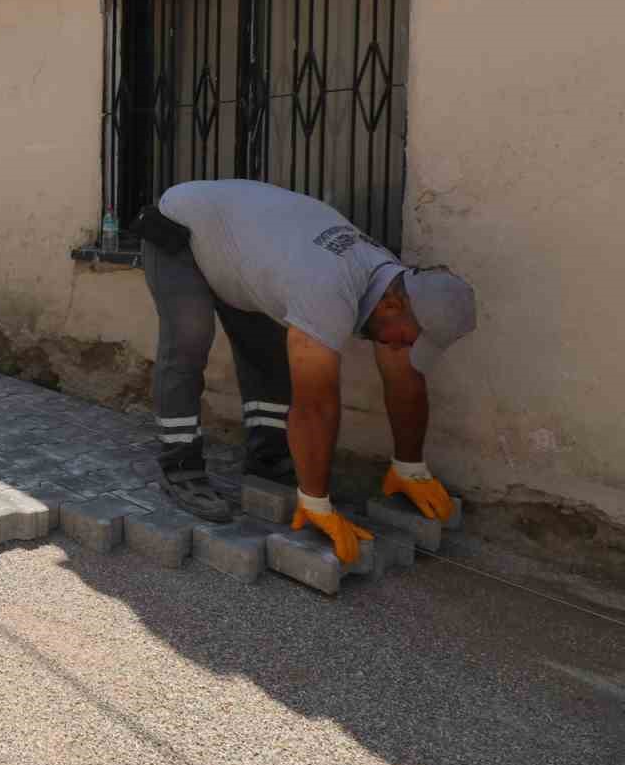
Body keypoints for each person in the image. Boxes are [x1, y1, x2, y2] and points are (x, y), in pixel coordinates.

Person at [136, 179, 476, 563]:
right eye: (410, 338)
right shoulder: (327, 288)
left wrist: (409, 465)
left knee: (266, 351)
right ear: (395, 306)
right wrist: (317, 502)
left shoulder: (394, 286)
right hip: (182, 226)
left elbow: (405, 378)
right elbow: (314, 407)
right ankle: (179, 464)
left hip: (244, 246)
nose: (406, 347)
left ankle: (267, 457)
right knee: (189, 341)